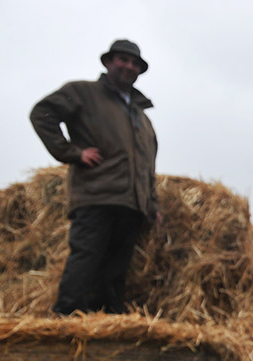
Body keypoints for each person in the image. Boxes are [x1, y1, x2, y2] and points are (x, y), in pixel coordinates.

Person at [30, 39, 159, 315]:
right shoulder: (84, 93)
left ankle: (107, 323)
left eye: (135, 63)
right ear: (108, 62)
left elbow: (148, 166)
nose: (129, 66)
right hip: (96, 196)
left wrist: (152, 205)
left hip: (132, 205)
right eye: (123, 60)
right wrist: (72, 152)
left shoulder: (142, 117)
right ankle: (66, 317)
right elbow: (42, 114)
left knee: (116, 270)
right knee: (86, 259)